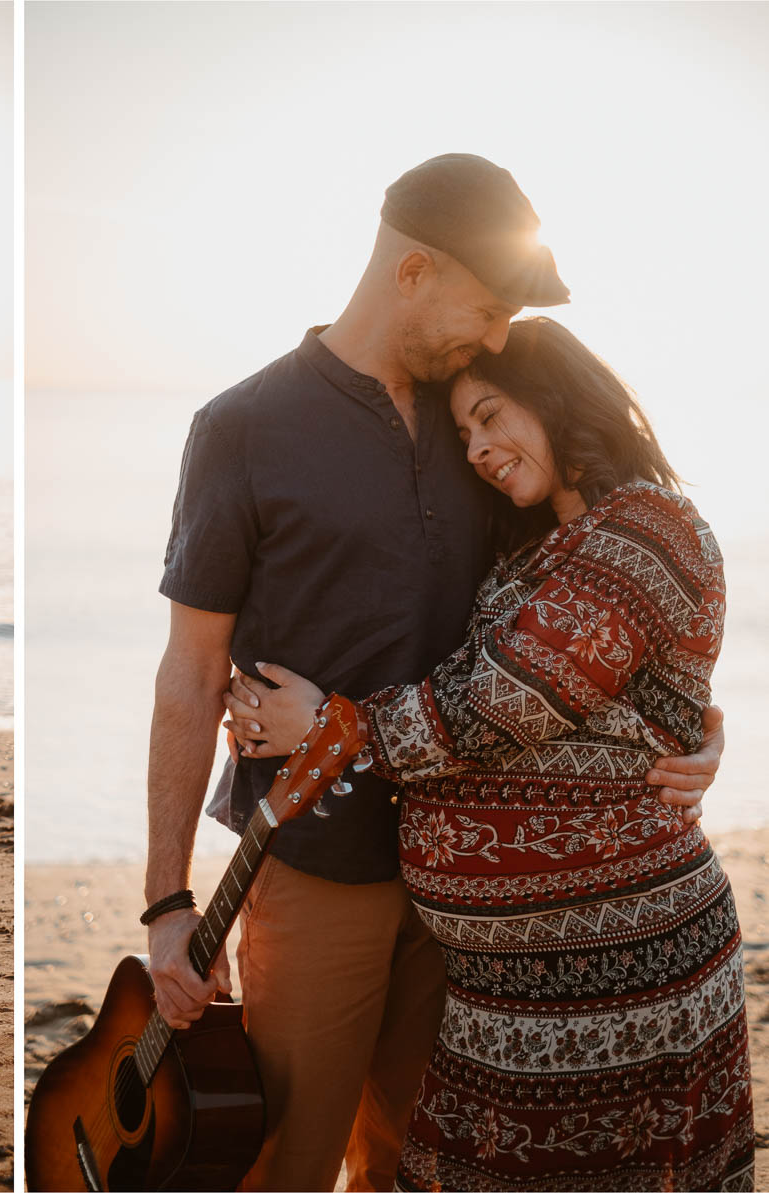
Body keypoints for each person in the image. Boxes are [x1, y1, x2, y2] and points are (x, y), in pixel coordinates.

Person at [143, 155, 724, 1191]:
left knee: (425, 1165)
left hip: (482, 931)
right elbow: (190, 674)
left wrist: (693, 723)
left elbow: (578, 622)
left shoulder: (479, 427)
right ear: (415, 270)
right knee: (286, 1158)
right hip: (320, 860)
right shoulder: (242, 429)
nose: (498, 339)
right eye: (491, 306)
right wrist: (166, 901)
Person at [224, 316, 752, 1191]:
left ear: (559, 399)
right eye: (464, 430)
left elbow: (504, 701)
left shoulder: (646, 525)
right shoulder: (541, 546)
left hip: (620, 969)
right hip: (502, 989)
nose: (476, 448)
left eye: (493, 414)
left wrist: (332, 725)